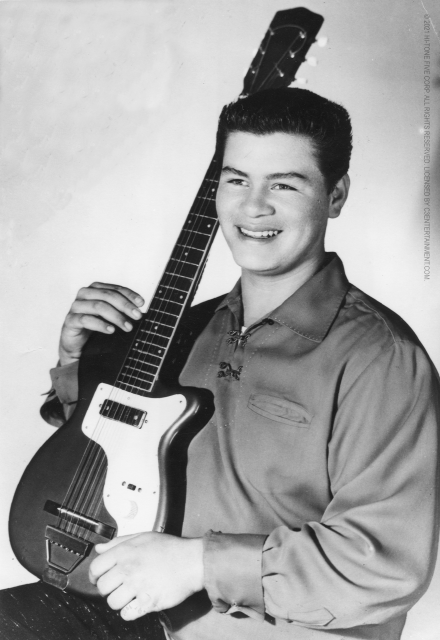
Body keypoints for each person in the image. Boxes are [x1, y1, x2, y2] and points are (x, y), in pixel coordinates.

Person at [1, 88, 439, 640]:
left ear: (335, 195)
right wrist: (74, 360)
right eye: (236, 180)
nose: (253, 207)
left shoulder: (381, 359)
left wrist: (195, 564)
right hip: (138, 613)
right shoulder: (190, 326)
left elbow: (384, 564)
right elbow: (112, 457)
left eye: (283, 183)